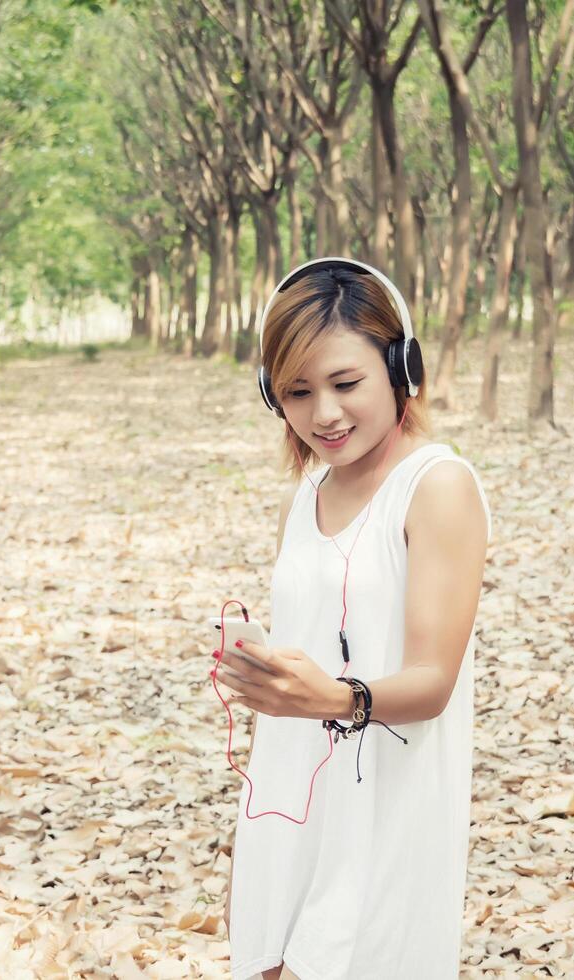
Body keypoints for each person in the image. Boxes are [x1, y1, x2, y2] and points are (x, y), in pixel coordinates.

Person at [215, 258, 491, 980]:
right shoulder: (302, 497)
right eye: (298, 393)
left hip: (384, 815)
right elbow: (297, 668)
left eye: (345, 384)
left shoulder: (437, 488)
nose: (325, 414)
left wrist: (338, 698)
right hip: (290, 802)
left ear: (402, 368)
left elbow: (432, 680)